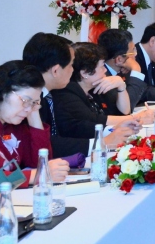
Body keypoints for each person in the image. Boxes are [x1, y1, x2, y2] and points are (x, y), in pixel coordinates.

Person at [22, 33, 134, 164]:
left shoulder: (49, 93)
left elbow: (72, 125)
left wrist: (108, 131)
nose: (73, 70)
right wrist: (101, 142)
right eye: (71, 65)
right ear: (55, 71)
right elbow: (46, 142)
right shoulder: (29, 100)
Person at [50, 43, 150, 141]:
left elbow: (124, 111)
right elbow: (94, 120)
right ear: (85, 73)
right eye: (102, 66)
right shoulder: (67, 93)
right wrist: (137, 117)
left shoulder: (95, 87)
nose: (105, 70)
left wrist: (121, 86)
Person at [98, 28, 155, 108]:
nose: (136, 54)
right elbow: (127, 106)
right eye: (133, 51)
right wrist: (136, 69)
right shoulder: (103, 78)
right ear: (119, 59)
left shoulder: (123, 70)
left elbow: (145, 92)